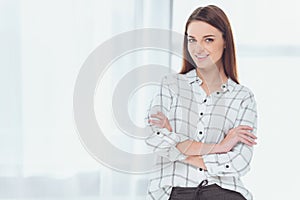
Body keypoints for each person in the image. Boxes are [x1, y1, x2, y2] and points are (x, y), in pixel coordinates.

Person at [145, 5, 258, 200]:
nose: (198, 49)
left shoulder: (242, 97)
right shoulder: (171, 85)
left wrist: (178, 147)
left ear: (225, 42)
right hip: (174, 190)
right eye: (192, 40)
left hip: (223, 191)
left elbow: (240, 161)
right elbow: (154, 138)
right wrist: (220, 147)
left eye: (208, 40)